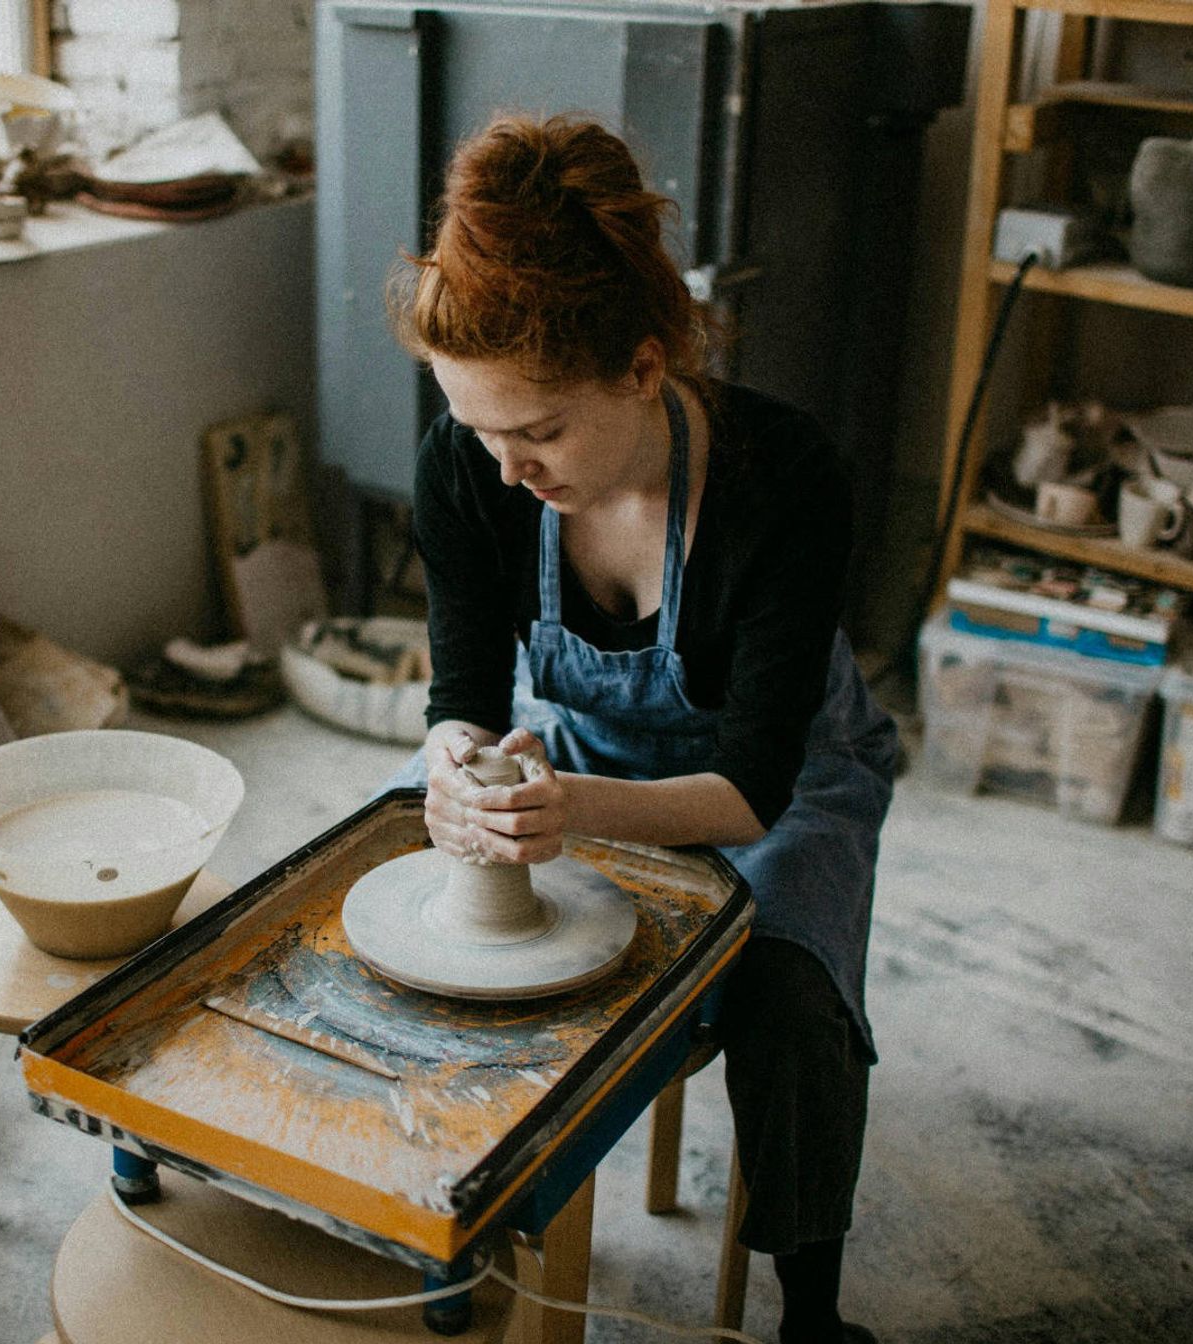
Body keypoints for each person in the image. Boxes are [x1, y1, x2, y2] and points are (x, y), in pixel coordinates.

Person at [383, 113, 899, 1344]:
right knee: (410, 918)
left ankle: (811, 1316)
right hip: (583, 749)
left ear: (645, 365)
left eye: (540, 432)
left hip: (783, 778)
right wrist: (459, 770)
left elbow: (751, 791)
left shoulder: (786, 479)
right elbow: (465, 691)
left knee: (784, 1000)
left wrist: (565, 817)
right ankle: (431, 1213)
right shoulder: (468, 471)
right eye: (478, 428)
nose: (507, 470)